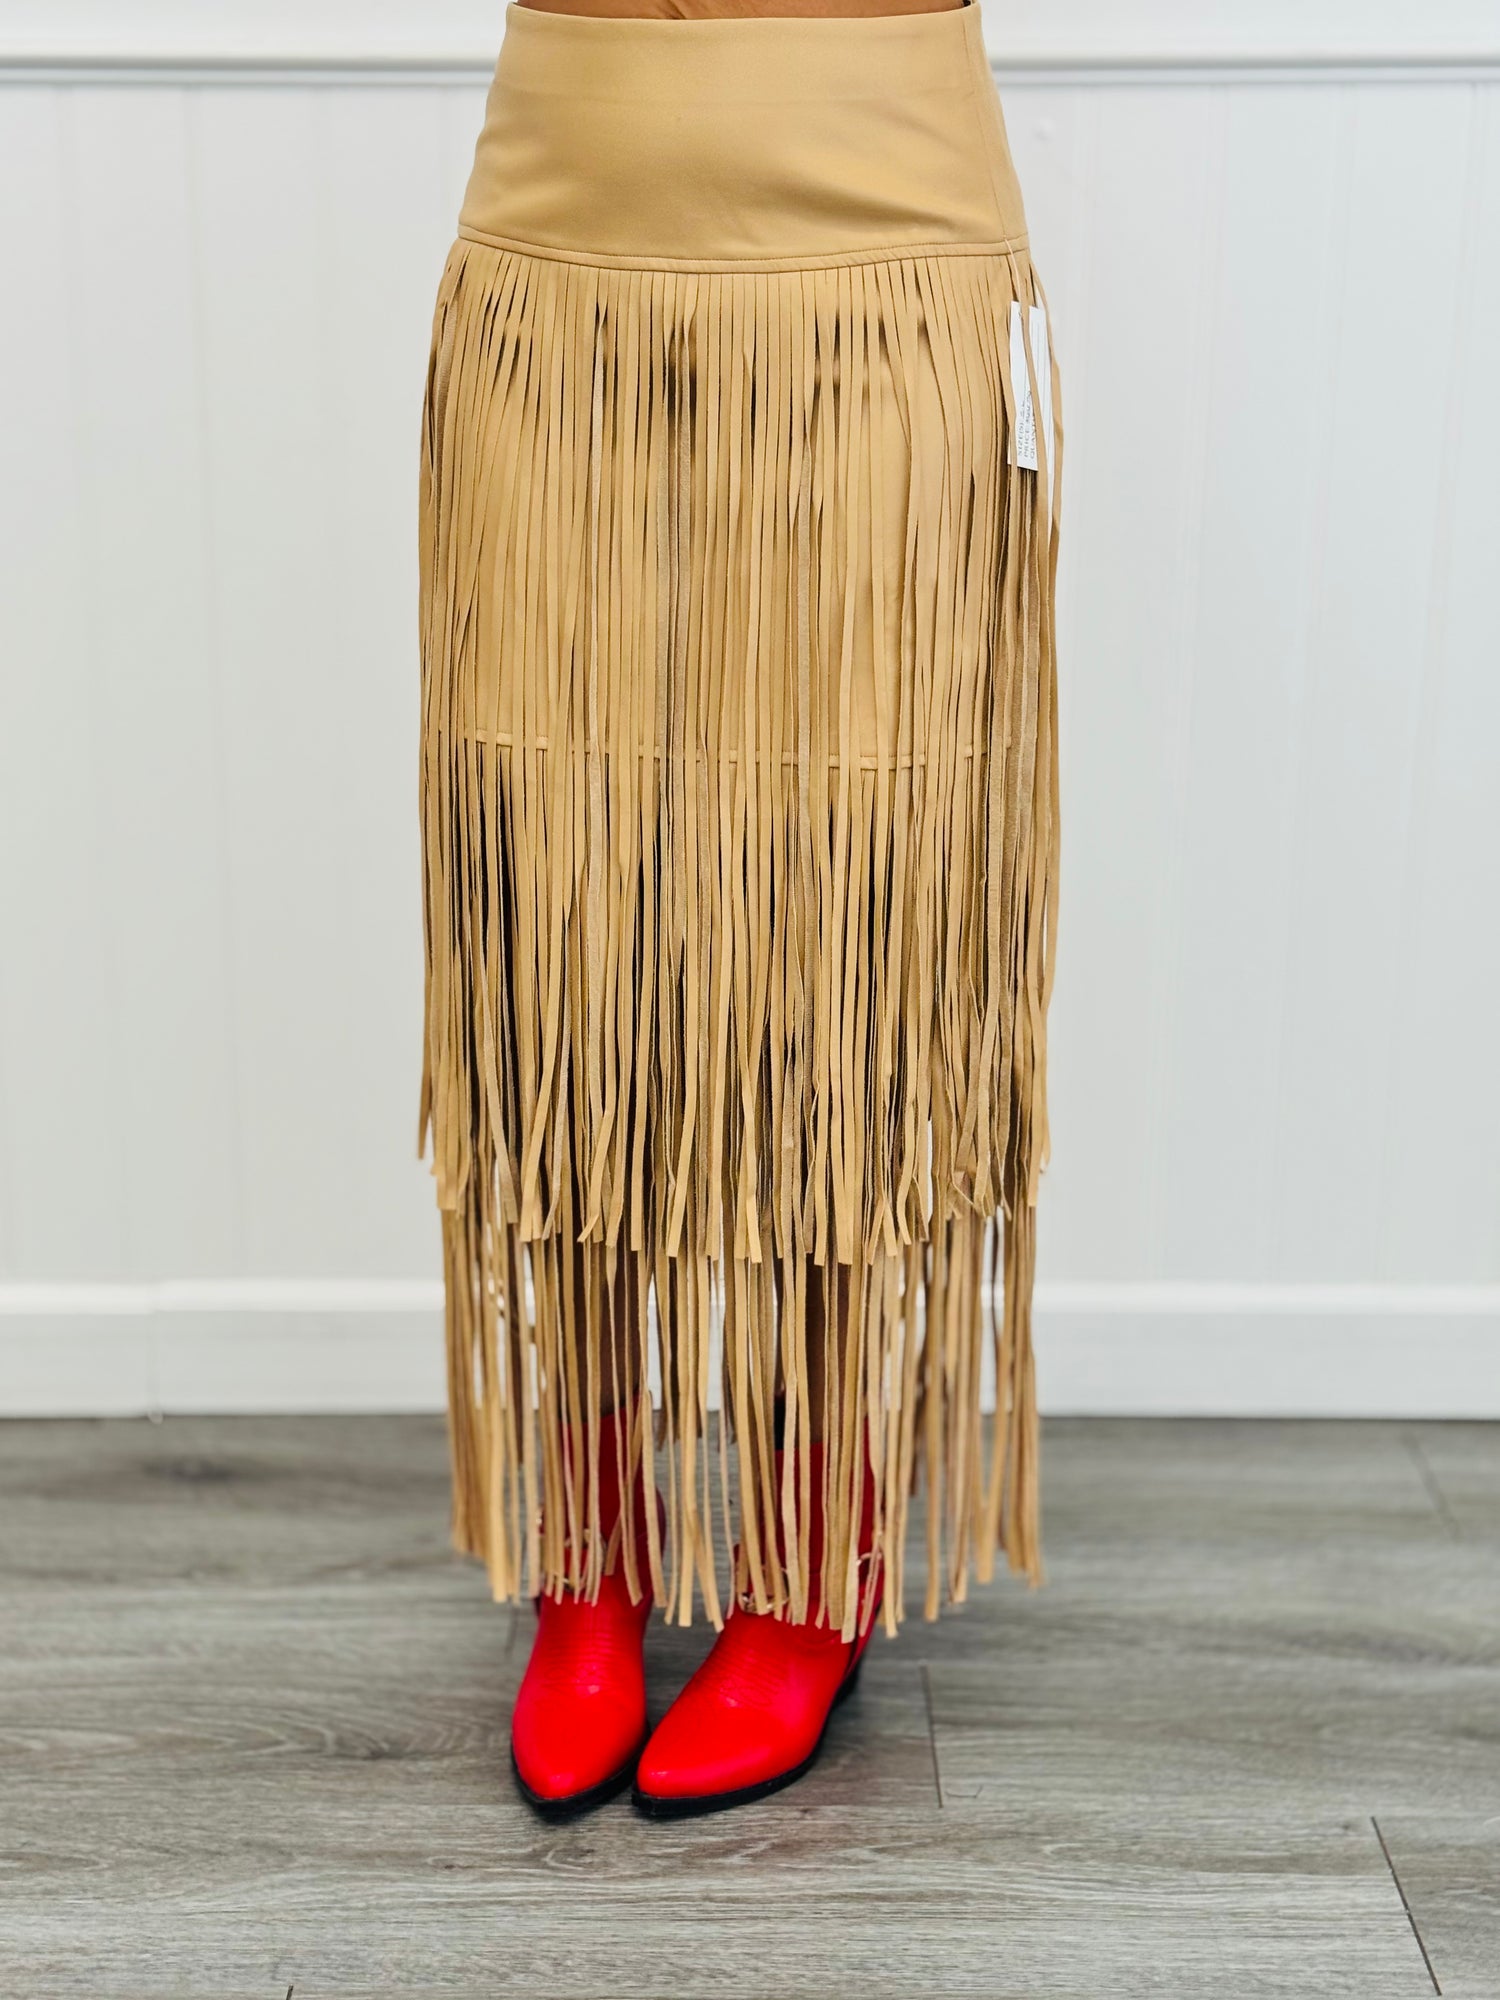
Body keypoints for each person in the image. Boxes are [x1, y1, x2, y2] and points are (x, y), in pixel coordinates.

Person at [416, 0, 1061, 1818]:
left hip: (880, 235)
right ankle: (591, 1549)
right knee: (567, 937)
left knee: (838, 939)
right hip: (564, 237)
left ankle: (811, 1558)